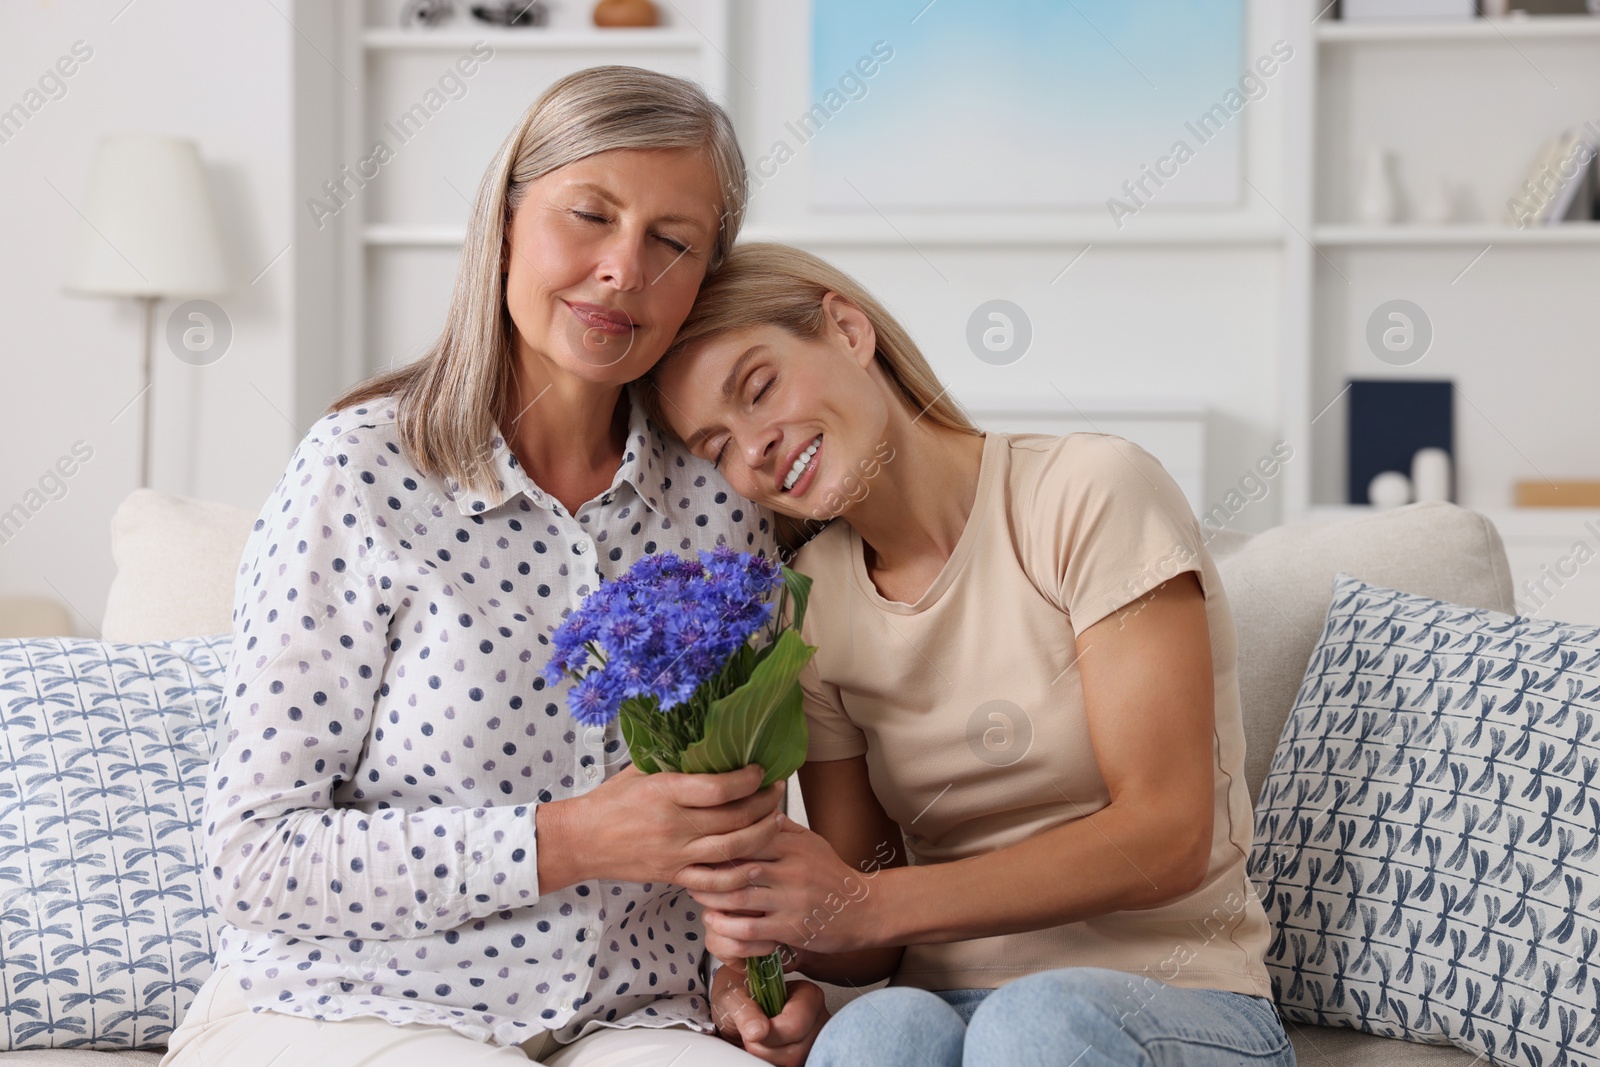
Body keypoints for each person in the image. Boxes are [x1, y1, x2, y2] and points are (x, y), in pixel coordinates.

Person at [164, 68, 785, 1067]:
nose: (624, 269)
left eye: (672, 243)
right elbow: (254, 856)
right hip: (352, 998)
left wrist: (741, 973)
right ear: (504, 217)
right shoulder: (355, 472)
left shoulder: (720, 505)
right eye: (590, 214)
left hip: (633, 1014)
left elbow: (741, 827)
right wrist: (567, 836)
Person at [648, 243, 1297, 1066]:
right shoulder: (809, 605)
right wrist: (765, 956)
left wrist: (875, 905)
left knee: (1032, 1027)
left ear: (847, 329)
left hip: (1179, 998)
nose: (756, 447)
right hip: (945, 1001)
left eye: (760, 386)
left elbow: (1166, 834)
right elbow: (864, 934)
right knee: (876, 1034)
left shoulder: (1087, 493)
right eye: (717, 447)